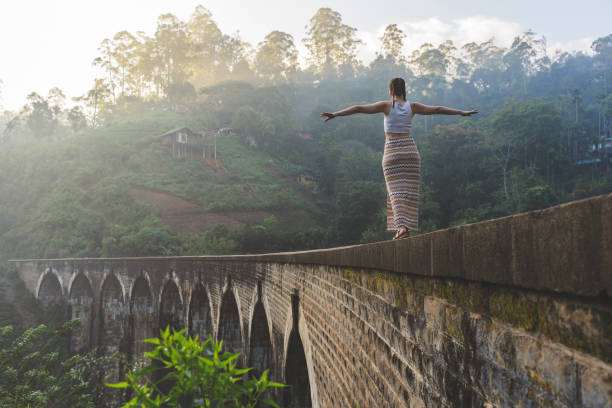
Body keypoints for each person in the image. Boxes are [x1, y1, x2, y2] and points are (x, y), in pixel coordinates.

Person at [321, 77, 478, 240]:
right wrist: (461, 112)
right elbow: (437, 109)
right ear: (404, 90)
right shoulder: (413, 106)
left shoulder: (386, 105)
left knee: (395, 192)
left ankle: (402, 227)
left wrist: (336, 114)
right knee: (408, 192)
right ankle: (404, 229)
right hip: (410, 151)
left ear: (390, 91)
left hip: (393, 151)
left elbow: (359, 108)